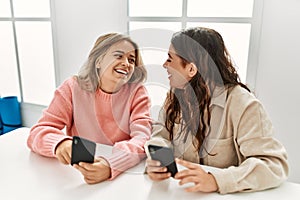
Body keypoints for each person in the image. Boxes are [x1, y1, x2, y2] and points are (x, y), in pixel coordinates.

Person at [144, 27, 289, 194]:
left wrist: (216, 180)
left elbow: (274, 165)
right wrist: (158, 161)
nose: (164, 65)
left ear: (191, 69)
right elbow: (160, 135)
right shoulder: (175, 96)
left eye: (170, 59)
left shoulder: (243, 105)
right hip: (182, 194)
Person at [27, 33, 152, 184]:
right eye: (119, 56)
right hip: (76, 175)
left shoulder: (137, 93)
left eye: (131, 60)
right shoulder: (72, 87)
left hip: (121, 176)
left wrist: (111, 164)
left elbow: (142, 138)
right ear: (98, 61)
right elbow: (38, 131)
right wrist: (60, 143)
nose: (127, 63)